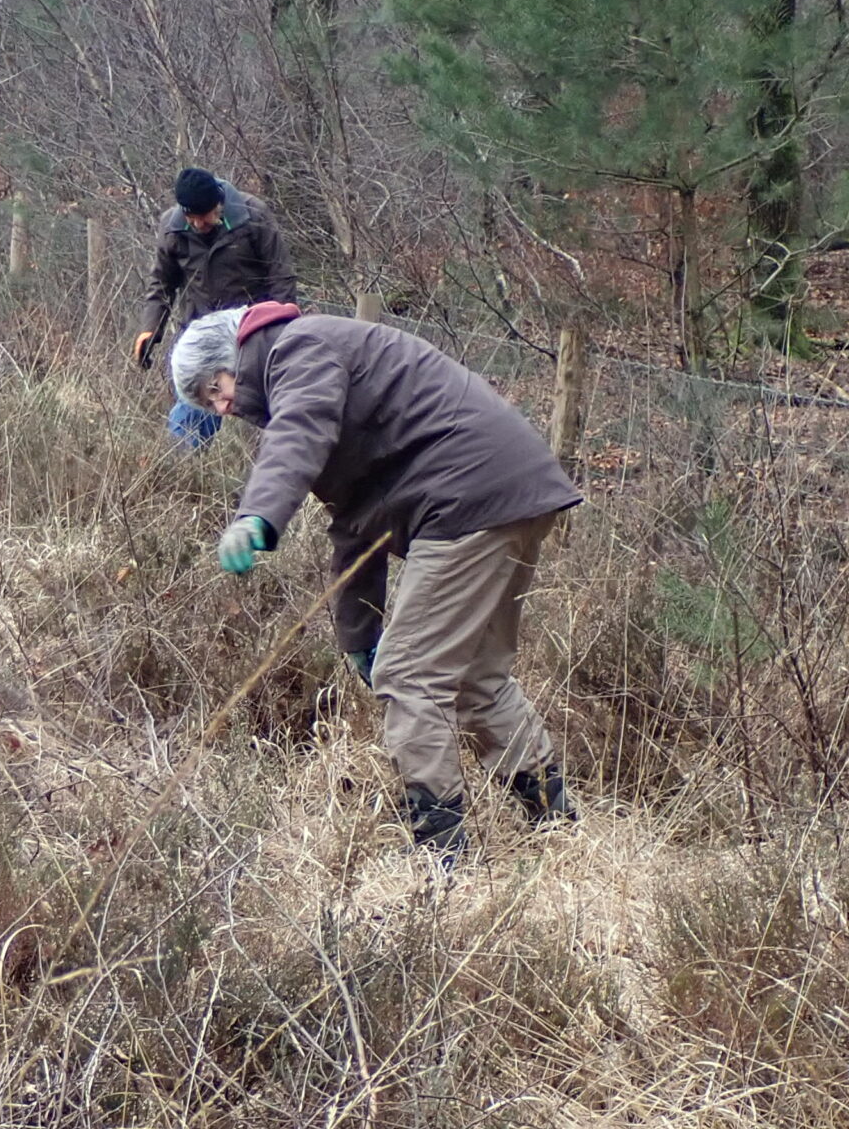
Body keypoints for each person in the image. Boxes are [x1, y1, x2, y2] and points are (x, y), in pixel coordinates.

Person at [173, 303, 583, 864]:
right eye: (209, 405)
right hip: (509, 490)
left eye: (214, 391)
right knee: (478, 678)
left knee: (411, 677)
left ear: (233, 359)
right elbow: (354, 522)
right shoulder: (307, 365)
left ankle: (444, 861)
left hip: (466, 497)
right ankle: (557, 829)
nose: (223, 407)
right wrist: (359, 635)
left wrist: (258, 514)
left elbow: (297, 433)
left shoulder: (300, 349)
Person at [134, 168, 298, 448]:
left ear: (218, 204)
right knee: (192, 414)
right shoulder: (172, 228)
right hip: (202, 339)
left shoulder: (253, 216)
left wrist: (282, 331)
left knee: (268, 418)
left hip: (250, 337)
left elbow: (281, 276)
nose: (198, 224)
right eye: (191, 217)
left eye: (205, 215)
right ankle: (186, 472)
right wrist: (150, 330)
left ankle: (269, 468)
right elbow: (161, 283)